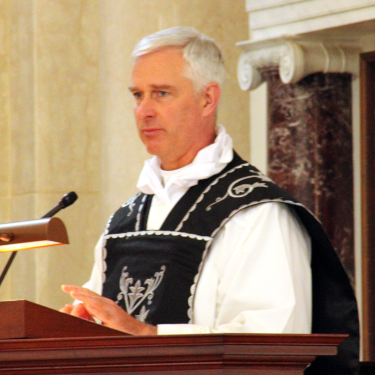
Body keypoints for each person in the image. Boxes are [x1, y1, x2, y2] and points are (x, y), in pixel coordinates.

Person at [61, 27, 359, 374]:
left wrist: (147, 335)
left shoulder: (257, 214)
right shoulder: (125, 222)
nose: (144, 111)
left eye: (161, 93)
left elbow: (274, 348)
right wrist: (77, 327)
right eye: (137, 94)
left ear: (208, 99)